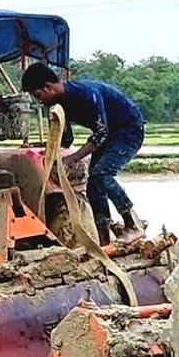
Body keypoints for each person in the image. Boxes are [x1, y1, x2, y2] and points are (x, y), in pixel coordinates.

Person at [20, 63, 145, 246]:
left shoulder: (87, 94)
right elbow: (66, 137)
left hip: (128, 131)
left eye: (39, 95)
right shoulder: (59, 105)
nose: (40, 101)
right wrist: (47, 148)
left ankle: (132, 224)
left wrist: (73, 158)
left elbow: (101, 133)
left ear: (48, 87)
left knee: (102, 174)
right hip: (109, 135)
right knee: (93, 184)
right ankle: (104, 239)